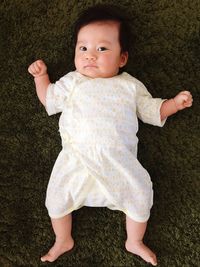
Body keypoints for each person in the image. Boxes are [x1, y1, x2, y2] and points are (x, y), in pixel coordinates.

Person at [28, 4, 193, 266]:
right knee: (56, 199)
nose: (90, 56)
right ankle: (63, 239)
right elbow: (49, 99)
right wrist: (42, 77)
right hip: (76, 159)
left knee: (140, 196)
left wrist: (173, 104)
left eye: (102, 49)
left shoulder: (130, 85)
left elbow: (150, 110)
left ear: (122, 58)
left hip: (119, 162)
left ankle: (134, 241)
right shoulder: (72, 81)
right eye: (83, 48)